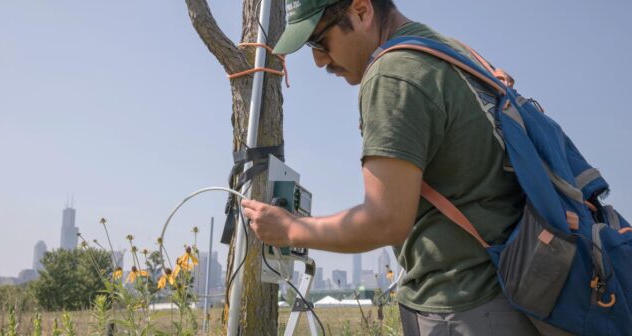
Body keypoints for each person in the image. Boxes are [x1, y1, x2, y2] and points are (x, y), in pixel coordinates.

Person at [241, 0, 571, 335]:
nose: (319, 61)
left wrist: (290, 230)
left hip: (464, 305)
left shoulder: (393, 74)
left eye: (318, 40)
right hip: (517, 293)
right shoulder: (452, 52)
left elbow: (386, 219)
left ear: (361, 10)